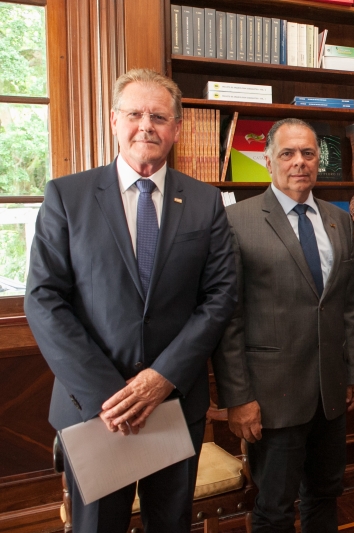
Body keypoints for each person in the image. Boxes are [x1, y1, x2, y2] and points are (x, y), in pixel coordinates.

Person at [24, 68, 237, 533]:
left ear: (177, 129)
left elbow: (220, 296)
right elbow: (43, 298)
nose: (147, 126)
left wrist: (161, 378)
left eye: (159, 116)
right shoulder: (68, 195)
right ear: (114, 121)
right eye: (136, 114)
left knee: (171, 523)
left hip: (175, 399)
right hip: (94, 407)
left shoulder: (205, 202)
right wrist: (110, 395)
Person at [212, 118, 354, 533]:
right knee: (275, 507)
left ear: (318, 160)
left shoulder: (337, 220)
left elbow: (349, 304)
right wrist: (238, 398)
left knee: (325, 495)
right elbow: (228, 319)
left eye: (308, 153)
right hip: (271, 397)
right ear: (267, 161)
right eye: (288, 153)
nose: (299, 162)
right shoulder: (237, 221)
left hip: (329, 393)